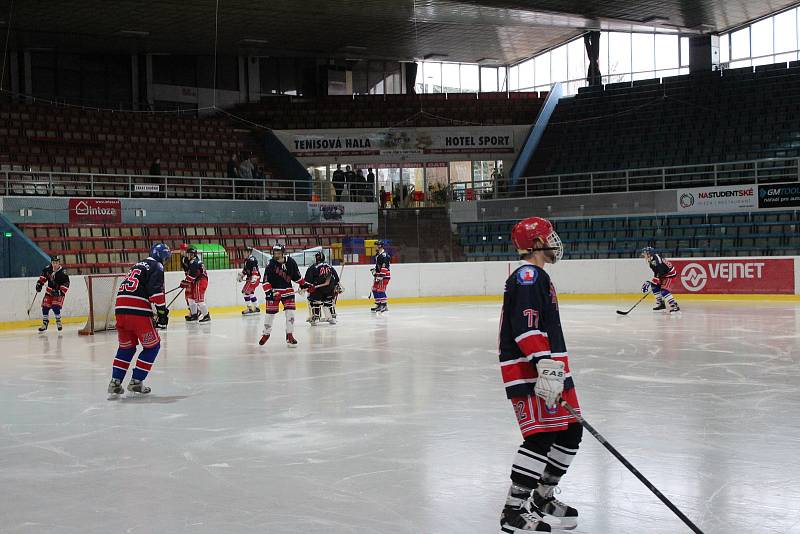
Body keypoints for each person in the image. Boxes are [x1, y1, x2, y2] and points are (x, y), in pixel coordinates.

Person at [498, 216, 582, 533]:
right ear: (536, 244)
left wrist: (553, 367)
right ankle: (513, 511)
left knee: (571, 431)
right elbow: (525, 326)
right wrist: (543, 365)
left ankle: (541, 498)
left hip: (552, 367)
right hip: (531, 369)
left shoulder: (539, 277)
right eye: (549, 236)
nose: (555, 241)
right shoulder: (528, 276)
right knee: (541, 436)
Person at [107, 243, 170, 397]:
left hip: (120, 309)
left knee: (126, 348)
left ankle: (115, 382)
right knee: (152, 346)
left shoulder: (137, 265)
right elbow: (155, 292)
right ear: (161, 256)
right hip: (138, 312)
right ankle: (136, 381)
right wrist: (162, 312)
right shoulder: (157, 266)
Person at [259, 244, 310, 347]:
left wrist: (306, 285)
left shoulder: (291, 262)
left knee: (290, 314)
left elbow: (297, 277)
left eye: (278, 252)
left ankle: (289, 335)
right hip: (274, 292)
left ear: (283, 252)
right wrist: (271, 293)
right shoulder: (270, 264)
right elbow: (265, 282)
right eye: (274, 252)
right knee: (269, 315)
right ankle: (266, 333)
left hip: (288, 291)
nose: (276, 254)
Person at [304, 251, 341, 325]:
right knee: (329, 302)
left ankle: (316, 318)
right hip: (330, 289)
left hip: (318, 289)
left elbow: (308, 280)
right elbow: (336, 278)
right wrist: (336, 286)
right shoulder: (330, 266)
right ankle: (332, 317)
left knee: (315, 302)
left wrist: (307, 287)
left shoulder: (313, 267)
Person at [35, 255, 70, 332]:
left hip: (59, 293)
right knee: (45, 307)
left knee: (55, 307)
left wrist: (60, 291)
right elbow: (43, 277)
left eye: (56, 262)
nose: (55, 264)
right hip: (49, 291)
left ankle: (58, 321)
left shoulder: (63, 272)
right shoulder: (47, 269)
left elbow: (67, 283)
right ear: (51, 262)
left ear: (59, 263)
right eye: (53, 262)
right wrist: (39, 284)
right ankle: (45, 322)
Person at [641, 247, 680, 312]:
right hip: (663, 274)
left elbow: (661, 272)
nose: (644, 255)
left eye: (645, 253)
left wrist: (653, 281)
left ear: (649, 253)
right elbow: (656, 272)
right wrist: (652, 282)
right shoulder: (651, 260)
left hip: (670, 275)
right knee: (654, 286)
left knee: (664, 290)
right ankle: (661, 304)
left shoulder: (657, 260)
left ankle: (674, 305)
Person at [181, 247, 210, 323]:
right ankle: (194, 315)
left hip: (201, 281)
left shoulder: (194, 262)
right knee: (191, 298)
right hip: (197, 281)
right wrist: (185, 282)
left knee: (199, 299)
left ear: (192, 254)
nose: (187, 255)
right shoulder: (194, 261)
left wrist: (185, 282)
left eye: (188, 254)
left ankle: (206, 315)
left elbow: (192, 275)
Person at [370, 241, 391, 313]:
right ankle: (379, 304)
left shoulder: (384, 255)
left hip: (384, 275)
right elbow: (378, 266)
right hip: (380, 275)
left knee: (380, 290)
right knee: (374, 289)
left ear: (380, 246)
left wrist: (380, 276)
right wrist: (375, 271)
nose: (374, 247)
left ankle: (384, 305)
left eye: (376, 246)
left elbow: (384, 266)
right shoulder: (378, 255)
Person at [239, 251, 261, 315]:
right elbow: (245, 270)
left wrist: (254, 277)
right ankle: (257, 307)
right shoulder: (247, 260)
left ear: (249, 252)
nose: (244, 253)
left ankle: (249, 309)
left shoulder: (252, 260)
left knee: (245, 292)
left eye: (245, 252)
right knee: (250, 293)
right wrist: (241, 276)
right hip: (250, 278)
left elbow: (255, 269)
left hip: (254, 278)